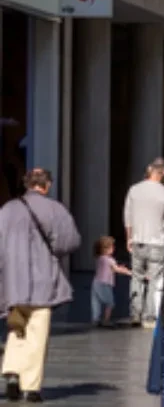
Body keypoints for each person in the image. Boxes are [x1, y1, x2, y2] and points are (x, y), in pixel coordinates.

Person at [0, 168, 81, 403]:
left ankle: (12, 370)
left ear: (27, 184)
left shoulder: (7, 209)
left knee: (16, 327)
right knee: (37, 332)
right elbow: (69, 241)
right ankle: (30, 386)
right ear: (46, 186)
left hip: (13, 281)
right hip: (42, 280)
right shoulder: (55, 209)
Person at [123, 157, 164, 329]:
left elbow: (128, 217)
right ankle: (149, 317)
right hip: (157, 242)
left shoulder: (134, 190)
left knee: (137, 278)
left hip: (138, 240)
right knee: (154, 280)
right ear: (163, 172)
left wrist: (129, 237)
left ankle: (135, 313)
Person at [91, 236, 132, 327]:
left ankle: (95, 319)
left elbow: (110, 269)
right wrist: (128, 272)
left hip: (96, 282)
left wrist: (118, 268)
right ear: (105, 249)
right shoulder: (110, 260)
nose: (114, 248)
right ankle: (106, 320)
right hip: (105, 283)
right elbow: (116, 269)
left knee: (96, 302)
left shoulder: (99, 258)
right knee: (110, 303)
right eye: (111, 247)